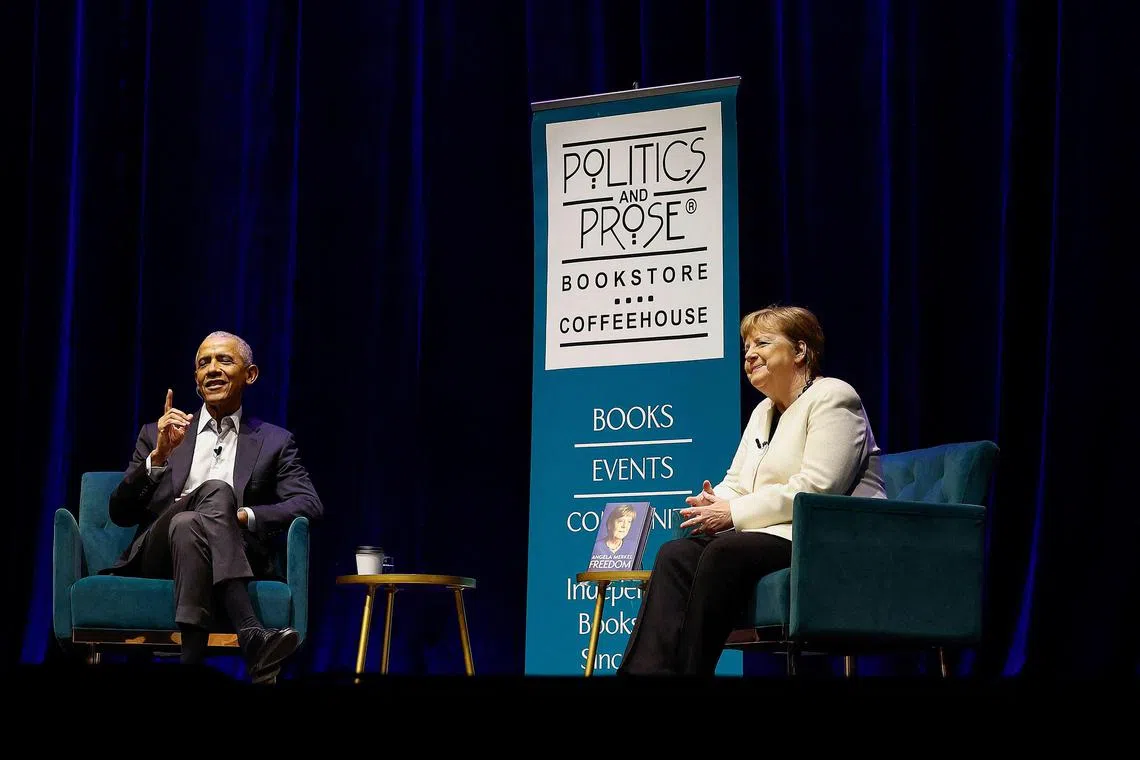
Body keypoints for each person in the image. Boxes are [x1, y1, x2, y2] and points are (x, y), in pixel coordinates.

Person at [618, 305, 886, 676]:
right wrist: (714, 502)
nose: (749, 354)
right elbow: (739, 481)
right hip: (772, 532)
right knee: (675, 554)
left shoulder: (834, 397)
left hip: (826, 536)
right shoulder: (763, 411)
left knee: (724, 551)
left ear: (800, 351)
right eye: (746, 347)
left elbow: (818, 489)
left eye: (762, 342)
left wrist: (732, 513)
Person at [104, 331, 323, 682]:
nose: (212, 369)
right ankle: (250, 630)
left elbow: (309, 503)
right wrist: (158, 457)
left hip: (222, 548)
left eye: (225, 360)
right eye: (203, 363)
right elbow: (119, 513)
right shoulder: (157, 434)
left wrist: (245, 516)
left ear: (249, 375)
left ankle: (189, 667)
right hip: (157, 555)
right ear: (195, 379)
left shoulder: (274, 442)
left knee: (189, 525)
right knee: (215, 491)